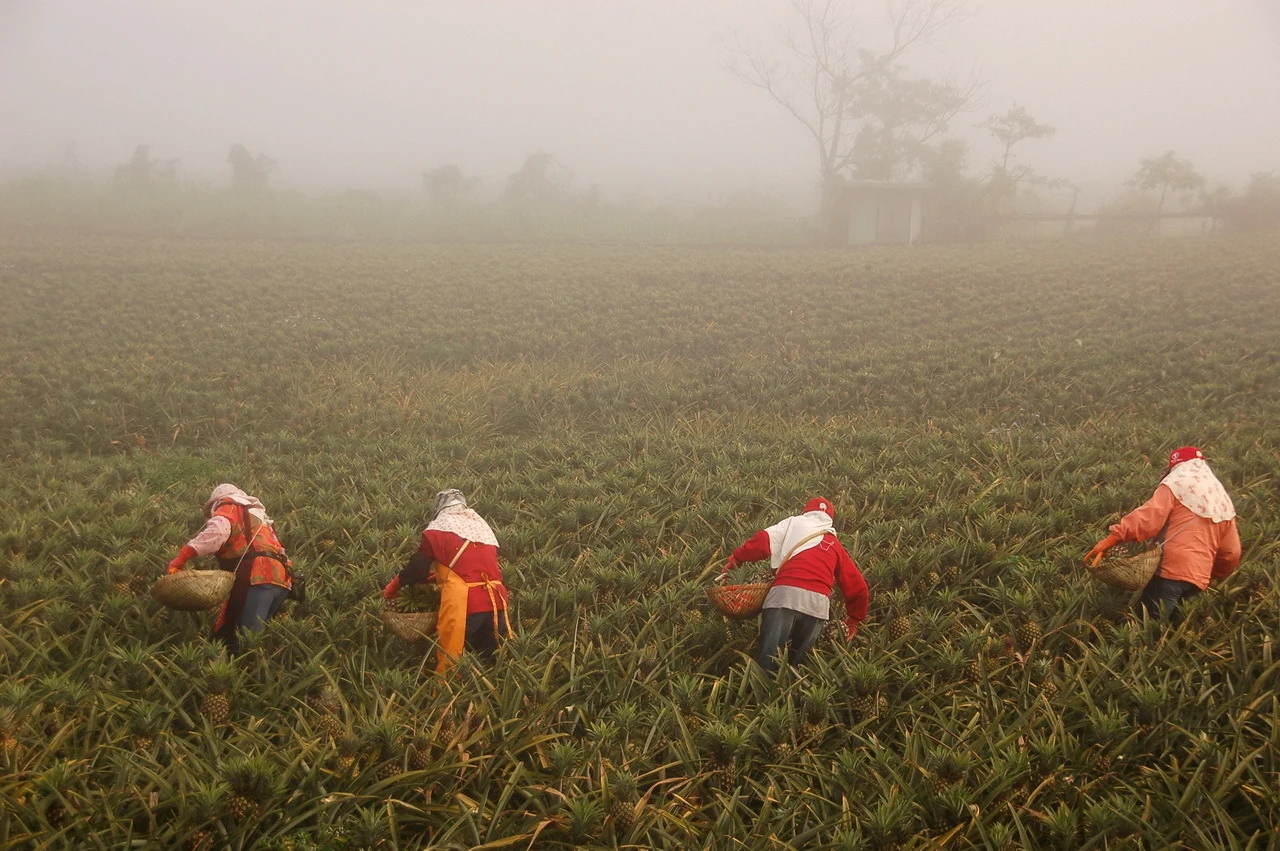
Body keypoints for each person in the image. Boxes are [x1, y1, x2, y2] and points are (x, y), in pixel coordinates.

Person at [1085, 446, 1241, 623]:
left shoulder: (1177, 483)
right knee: (1174, 635)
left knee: (1145, 631)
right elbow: (1231, 552)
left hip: (1170, 571)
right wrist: (1210, 574)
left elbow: (1149, 517)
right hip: (1199, 580)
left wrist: (1113, 537)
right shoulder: (1222, 501)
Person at [719, 497, 869, 673]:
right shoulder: (834, 544)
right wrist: (854, 619)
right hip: (818, 604)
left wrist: (736, 558)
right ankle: (793, 696)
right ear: (830, 519)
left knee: (769, 659)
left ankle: (763, 695)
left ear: (806, 511)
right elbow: (856, 583)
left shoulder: (792, 523)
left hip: (784, 595)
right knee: (801, 666)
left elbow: (763, 540)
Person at [384, 489, 511, 673]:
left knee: (454, 661)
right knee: (492, 661)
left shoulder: (437, 531)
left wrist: (393, 585)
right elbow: (472, 570)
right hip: (496, 603)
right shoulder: (482, 531)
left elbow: (417, 570)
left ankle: (450, 698)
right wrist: (434, 578)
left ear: (439, 509)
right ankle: (491, 697)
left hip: (465, 606)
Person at [167, 484, 294, 653]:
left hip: (256, 577)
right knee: (256, 635)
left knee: (245, 640)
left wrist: (182, 557)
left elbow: (217, 533)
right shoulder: (260, 517)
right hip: (282, 580)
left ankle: (243, 674)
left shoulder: (229, 506)